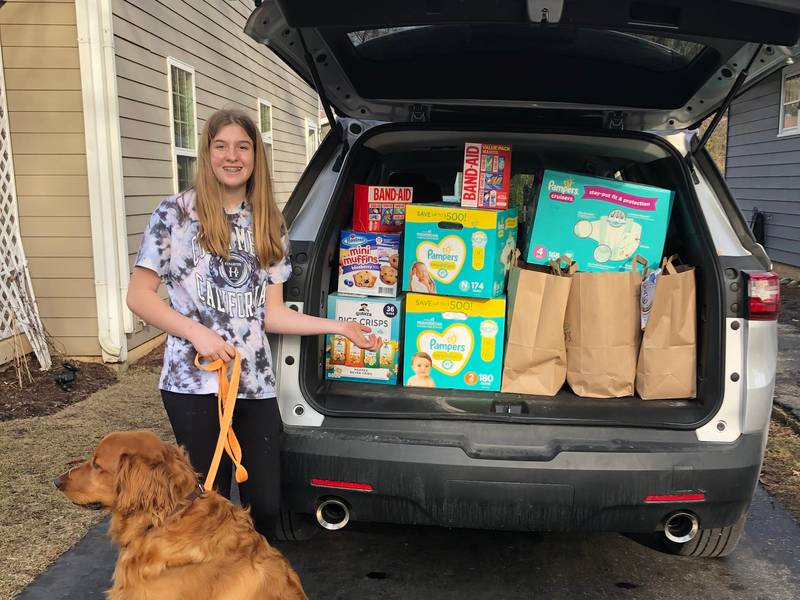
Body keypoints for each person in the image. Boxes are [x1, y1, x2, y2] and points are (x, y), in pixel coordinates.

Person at [127, 108, 379, 540]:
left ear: (255, 156)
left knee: (264, 501)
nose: (232, 156)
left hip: (254, 381)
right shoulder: (174, 215)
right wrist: (196, 333)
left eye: (243, 147)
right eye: (221, 146)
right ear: (207, 154)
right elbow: (139, 296)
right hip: (193, 384)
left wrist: (340, 328)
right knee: (208, 501)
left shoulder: (267, 223)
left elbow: (272, 315)